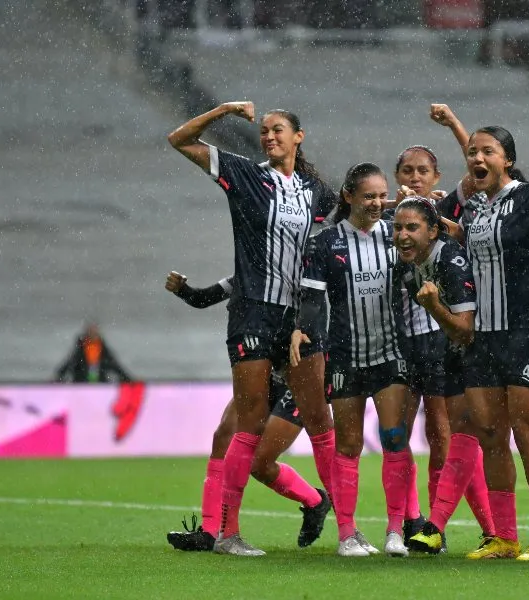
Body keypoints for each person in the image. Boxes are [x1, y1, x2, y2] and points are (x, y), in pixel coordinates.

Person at [167, 102, 337, 556]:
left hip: (301, 320)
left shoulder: (317, 192)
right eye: (264, 131)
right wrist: (222, 112)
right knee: (244, 424)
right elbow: (179, 140)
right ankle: (225, 533)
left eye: (277, 130)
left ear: (299, 136)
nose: (268, 137)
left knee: (317, 420)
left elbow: (328, 251)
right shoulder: (245, 174)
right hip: (254, 314)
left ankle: (344, 523)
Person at [429, 108, 529, 560]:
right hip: (483, 338)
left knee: (526, 433)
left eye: (487, 151)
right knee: (490, 435)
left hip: (528, 333)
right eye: (472, 152)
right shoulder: (475, 211)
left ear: (507, 160)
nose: (476, 158)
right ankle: (504, 537)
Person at [291, 163, 413, 558]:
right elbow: (312, 296)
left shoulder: (398, 235)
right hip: (345, 358)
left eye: (383, 195)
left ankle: (396, 531)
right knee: (348, 446)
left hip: (391, 355)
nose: (379, 202)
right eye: (369, 196)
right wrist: (301, 328)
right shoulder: (327, 243)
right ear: (348, 197)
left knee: (396, 442)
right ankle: (348, 534)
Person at [161, 272, 331, 552]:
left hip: (297, 378)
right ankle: (209, 531)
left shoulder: (300, 273)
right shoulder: (248, 272)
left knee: (260, 464)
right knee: (223, 436)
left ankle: (316, 501)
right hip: (266, 372)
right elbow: (204, 298)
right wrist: (182, 289)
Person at [391, 145, 495, 550]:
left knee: (448, 437)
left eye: (423, 170)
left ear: (437, 176)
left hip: (446, 341)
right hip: (406, 346)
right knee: (402, 436)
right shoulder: (399, 225)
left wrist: (452, 123)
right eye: (406, 169)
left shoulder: (446, 228)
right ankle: (417, 523)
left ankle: (442, 526)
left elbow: (485, 165)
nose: (415, 176)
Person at [54, 322, 133, 383]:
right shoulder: (81, 348)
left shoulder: (102, 348)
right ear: (87, 333)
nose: (93, 334)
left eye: (95, 331)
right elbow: (70, 363)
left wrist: (126, 378)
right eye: (91, 331)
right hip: (82, 382)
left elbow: (114, 365)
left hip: (99, 382)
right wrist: (59, 376)